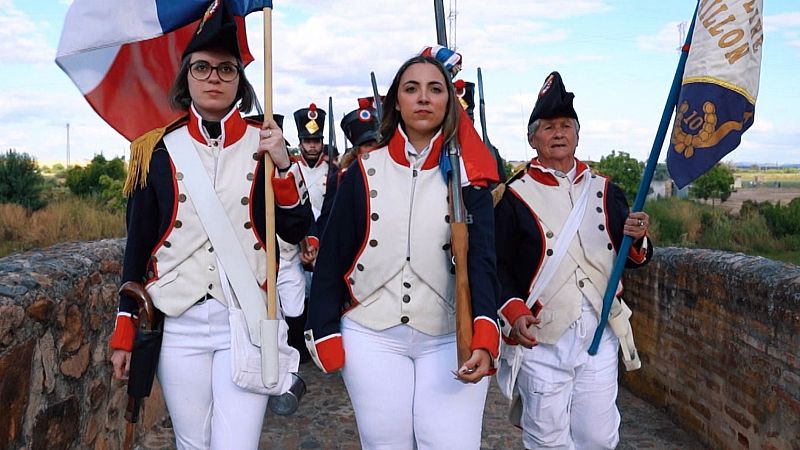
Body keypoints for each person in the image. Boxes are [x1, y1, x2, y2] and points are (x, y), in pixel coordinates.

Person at [108, 2, 313, 448]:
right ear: (187, 78)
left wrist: (282, 164)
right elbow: (138, 247)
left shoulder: (266, 142)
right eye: (202, 68)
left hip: (245, 318)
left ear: (240, 82)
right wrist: (124, 330)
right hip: (178, 323)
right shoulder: (157, 150)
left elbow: (298, 230)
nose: (214, 78)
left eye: (226, 69)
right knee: (192, 443)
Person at [304, 54, 501, 449]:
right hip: (371, 333)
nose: (423, 98)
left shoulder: (469, 174)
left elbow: (481, 262)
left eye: (435, 88)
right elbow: (333, 259)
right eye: (411, 89)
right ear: (396, 102)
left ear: (449, 102)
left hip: (448, 331)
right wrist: (323, 328)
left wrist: (484, 331)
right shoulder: (362, 170)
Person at [494, 71, 653, 449]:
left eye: (566, 125)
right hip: (543, 336)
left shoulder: (606, 190)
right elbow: (496, 266)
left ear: (578, 134)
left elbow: (630, 258)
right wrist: (514, 312)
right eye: (548, 127)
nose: (559, 133)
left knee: (598, 436)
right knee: (547, 439)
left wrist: (639, 236)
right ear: (533, 138)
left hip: (599, 333)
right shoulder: (513, 196)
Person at [316, 96, 381, 235]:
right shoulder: (341, 179)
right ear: (358, 150)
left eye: (378, 144)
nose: (373, 149)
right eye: (368, 145)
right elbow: (328, 222)